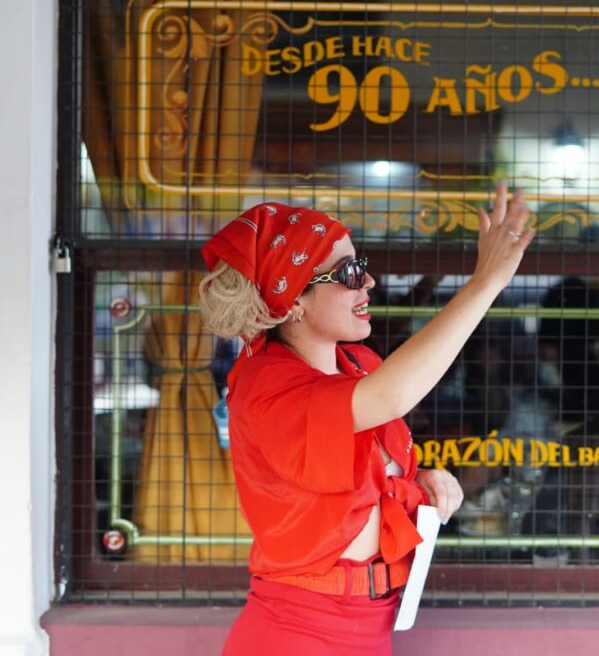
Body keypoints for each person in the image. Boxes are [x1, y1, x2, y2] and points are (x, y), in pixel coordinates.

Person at [199, 185, 534, 655]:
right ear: (292, 300)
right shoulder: (264, 384)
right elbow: (392, 397)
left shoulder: (359, 365)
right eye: (349, 273)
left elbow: (359, 478)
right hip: (297, 631)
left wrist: (423, 479)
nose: (368, 283)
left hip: (370, 624)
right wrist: (485, 282)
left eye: (363, 267)